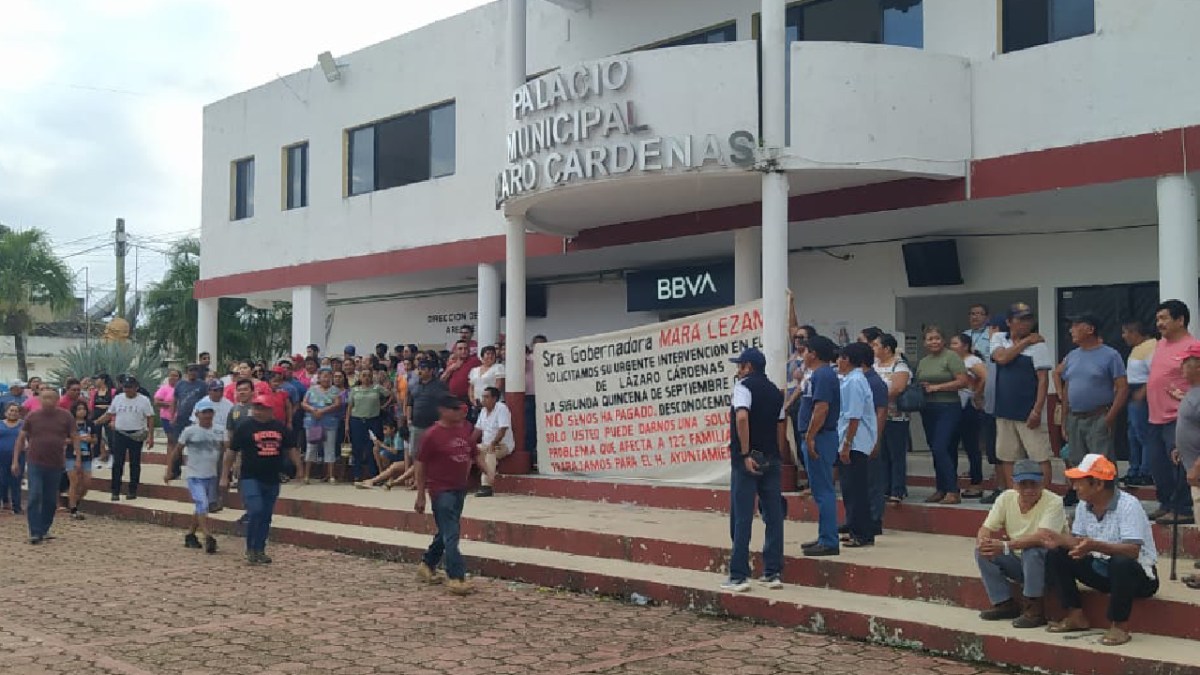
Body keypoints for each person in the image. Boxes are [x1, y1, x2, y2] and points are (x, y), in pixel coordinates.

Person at [1040, 454, 1159, 646]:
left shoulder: (1129, 505)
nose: (1074, 487)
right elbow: (1080, 542)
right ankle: (1075, 614)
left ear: (1098, 485)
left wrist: (1095, 545)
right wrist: (1062, 540)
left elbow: (1132, 551)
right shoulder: (1083, 505)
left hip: (1137, 577)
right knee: (1057, 554)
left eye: (1079, 482)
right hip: (1101, 568)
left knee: (1121, 562)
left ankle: (1119, 626)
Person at [414, 395, 492, 595]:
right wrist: (420, 494)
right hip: (441, 490)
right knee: (452, 533)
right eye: (455, 409)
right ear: (443, 410)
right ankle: (456, 577)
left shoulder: (464, 430)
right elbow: (420, 464)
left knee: (446, 530)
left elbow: (473, 453)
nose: (460, 413)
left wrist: (487, 471)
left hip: (460, 488)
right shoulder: (432, 435)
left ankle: (427, 564)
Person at [974, 459, 1066, 629]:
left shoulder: (1054, 501)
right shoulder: (1006, 498)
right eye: (1024, 484)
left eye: (1034, 484)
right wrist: (983, 540)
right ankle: (1004, 603)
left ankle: (1034, 609)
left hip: (1050, 565)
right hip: (1019, 561)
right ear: (1015, 484)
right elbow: (986, 527)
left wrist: (1005, 545)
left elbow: (1042, 537)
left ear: (1042, 482)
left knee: (1033, 550)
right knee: (982, 551)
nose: (1029, 489)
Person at [1057, 313, 1129, 505]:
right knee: (1076, 461)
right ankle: (1086, 501)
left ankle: (1111, 502)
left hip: (1098, 415)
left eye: (1075, 325)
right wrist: (1064, 420)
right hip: (1074, 417)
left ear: (1090, 329)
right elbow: (1067, 388)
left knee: (1101, 463)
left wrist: (1110, 418)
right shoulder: (1072, 356)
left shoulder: (1110, 355)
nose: (1071, 330)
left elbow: (1122, 388)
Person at [222, 394, 301, 565]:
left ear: (270, 410)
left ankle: (260, 548)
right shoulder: (244, 427)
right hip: (250, 476)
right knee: (256, 510)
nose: (259, 412)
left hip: (272, 477)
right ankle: (250, 547)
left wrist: (299, 468)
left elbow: (291, 448)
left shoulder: (280, 428)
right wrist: (224, 475)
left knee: (266, 515)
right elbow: (231, 451)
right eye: (256, 408)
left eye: (263, 408)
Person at [990, 303, 1054, 494]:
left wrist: (1037, 410)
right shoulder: (999, 338)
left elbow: (1043, 380)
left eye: (1029, 319)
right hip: (1004, 410)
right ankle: (1014, 496)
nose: (1026, 323)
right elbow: (1001, 358)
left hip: (1028, 411)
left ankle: (1044, 496)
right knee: (1007, 456)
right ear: (1009, 322)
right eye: (1020, 319)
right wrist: (1025, 342)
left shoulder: (1039, 346)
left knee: (1039, 455)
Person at [1145, 299, 1198, 525]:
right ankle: (1166, 504)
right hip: (1154, 416)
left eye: (1164, 318)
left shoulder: (1192, 347)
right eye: (1158, 319)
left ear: (1180, 320)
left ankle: (1183, 508)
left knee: (1178, 465)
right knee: (1158, 466)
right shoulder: (1160, 345)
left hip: (1178, 418)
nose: (1159, 323)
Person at [11, 388, 79, 544]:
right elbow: (21, 438)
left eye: (51, 398)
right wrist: (15, 461)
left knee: (49, 499)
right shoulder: (32, 416)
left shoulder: (65, 416)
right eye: (44, 397)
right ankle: (34, 532)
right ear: (40, 399)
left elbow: (74, 436)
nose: (47, 400)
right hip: (35, 462)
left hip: (55, 463)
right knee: (34, 495)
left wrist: (77, 457)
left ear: (57, 400)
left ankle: (44, 528)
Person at [798, 336, 841, 557]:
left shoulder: (823, 375)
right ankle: (825, 534)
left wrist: (811, 436)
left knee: (824, 491)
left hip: (820, 436)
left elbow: (821, 408)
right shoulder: (819, 375)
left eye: (805, 351)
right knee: (820, 490)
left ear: (813, 354)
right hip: (818, 435)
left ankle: (829, 540)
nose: (802, 355)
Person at [916, 326, 969, 504]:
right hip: (928, 408)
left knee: (941, 447)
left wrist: (936, 387)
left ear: (943, 340)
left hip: (948, 407)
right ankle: (942, 488)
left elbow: (963, 381)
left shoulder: (951, 357)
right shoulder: (924, 361)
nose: (934, 342)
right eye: (930, 339)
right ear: (925, 342)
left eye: (937, 338)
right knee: (938, 449)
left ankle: (953, 491)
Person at [836, 342, 879, 548]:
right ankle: (854, 526)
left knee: (856, 489)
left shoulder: (855, 381)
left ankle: (862, 533)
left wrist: (846, 444)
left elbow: (854, 417)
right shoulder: (851, 380)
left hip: (855, 442)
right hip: (852, 440)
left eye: (842, 358)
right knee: (849, 488)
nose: (838, 362)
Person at [168, 399, 223, 554]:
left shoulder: (219, 430)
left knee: (202, 506)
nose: (207, 415)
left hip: (211, 475)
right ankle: (208, 536)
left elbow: (228, 449)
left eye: (209, 412)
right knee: (202, 503)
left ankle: (190, 534)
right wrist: (170, 470)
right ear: (197, 414)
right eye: (204, 412)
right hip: (194, 475)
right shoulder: (189, 431)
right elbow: (177, 450)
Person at [96, 376, 156, 501]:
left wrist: (150, 436)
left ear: (136, 388)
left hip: (136, 433)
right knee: (118, 463)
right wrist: (96, 422)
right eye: (125, 387)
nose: (127, 390)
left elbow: (150, 417)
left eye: (130, 387)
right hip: (120, 433)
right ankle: (115, 490)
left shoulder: (143, 400)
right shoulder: (118, 398)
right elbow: (109, 413)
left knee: (135, 463)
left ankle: (132, 490)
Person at [871, 334, 911, 504]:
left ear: (887, 348)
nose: (873, 348)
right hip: (876, 417)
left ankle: (898, 489)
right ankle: (885, 488)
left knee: (896, 454)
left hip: (895, 417)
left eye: (876, 345)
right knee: (881, 454)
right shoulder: (874, 365)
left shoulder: (899, 366)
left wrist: (877, 400)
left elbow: (898, 388)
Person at [951, 333, 987, 499]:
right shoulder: (951, 361)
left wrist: (976, 394)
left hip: (968, 407)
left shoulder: (972, 361)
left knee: (971, 447)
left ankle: (976, 483)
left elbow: (985, 376)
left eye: (955, 343)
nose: (952, 346)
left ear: (965, 346)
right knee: (951, 446)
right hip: (953, 406)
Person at [1120, 320, 1156, 487]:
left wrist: (1143, 391)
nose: (1124, 336)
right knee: (1132, 435)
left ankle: (1146, 471)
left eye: (1126, 332)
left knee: (1144, 434)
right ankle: (1134, 469)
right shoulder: (1137, 349)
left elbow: (1154, 373)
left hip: (1142, 394)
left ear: (1135, 332)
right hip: (1133, 392)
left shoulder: (1151, 347)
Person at [346, 369, 388, 481]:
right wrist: (347, 424)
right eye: (364, 375)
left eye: (369, 376)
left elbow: (391, 395)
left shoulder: (377, 388)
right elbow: (349, 407)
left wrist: (383, 406)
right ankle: (357, 474)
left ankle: (374, 474)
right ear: (360, 377)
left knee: (372, 447)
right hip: (357, 421)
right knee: (357, 448)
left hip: (373, 421)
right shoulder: (354, 390)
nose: (366, 378)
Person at [302, 367, 342, 484]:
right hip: (314, 422)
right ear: (319, 377)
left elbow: (337, 404)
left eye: (329, 376)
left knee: (329, 448)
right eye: (324, 375)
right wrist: (312, 409)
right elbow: (304, 403)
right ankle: (307, 475)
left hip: (329, 422)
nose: (326, 378)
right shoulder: (312, 389)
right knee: (311, 448)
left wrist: (323, 411)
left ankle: (331, 476)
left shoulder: (335, 390)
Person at [473, 386, 513, 498]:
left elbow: (503, 429)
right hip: (486, 444)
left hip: (502, 445)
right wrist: (469, 445)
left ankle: (487, 486)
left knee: (490, 454)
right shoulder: (483, 411)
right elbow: (477, 430)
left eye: (486, 397)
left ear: (494, 398)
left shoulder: (501, 408)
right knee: (471, 451)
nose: (483, 399)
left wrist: (493, 444)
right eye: (483, 397)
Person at [407, 360, 449, 465]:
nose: (420, 371)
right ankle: (417, 478)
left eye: (424, 369)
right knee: (415, 453)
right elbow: (409, 403)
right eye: (419, 369)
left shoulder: (440, 385)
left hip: (434, 426)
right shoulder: (414, 385)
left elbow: (447, 403)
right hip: (416, 425)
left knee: (434, 453)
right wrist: (408, 419)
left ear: (431, 371)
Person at [65, 400, 96, 520]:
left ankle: (76, 500)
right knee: (74, 481)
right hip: (71, 455)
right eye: (79, 409)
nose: (82, 411)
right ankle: (73, 508)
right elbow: (64, 439)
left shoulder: (90, 424)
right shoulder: (69, 424)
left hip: (87, 455)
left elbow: (95, 439)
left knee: (87, 481)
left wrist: (90, 440)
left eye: (83, 409)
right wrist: (75, 439)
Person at [0, 403, 24, 513]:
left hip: (19, 456)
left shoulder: (23, 425)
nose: (13, 413)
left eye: (16, 411)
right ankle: (5, 501)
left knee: (16, 481)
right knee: (2, 481)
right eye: (11, 410)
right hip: (2, 456)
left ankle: (16, 506)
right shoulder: (0, 424)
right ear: (6, 412)